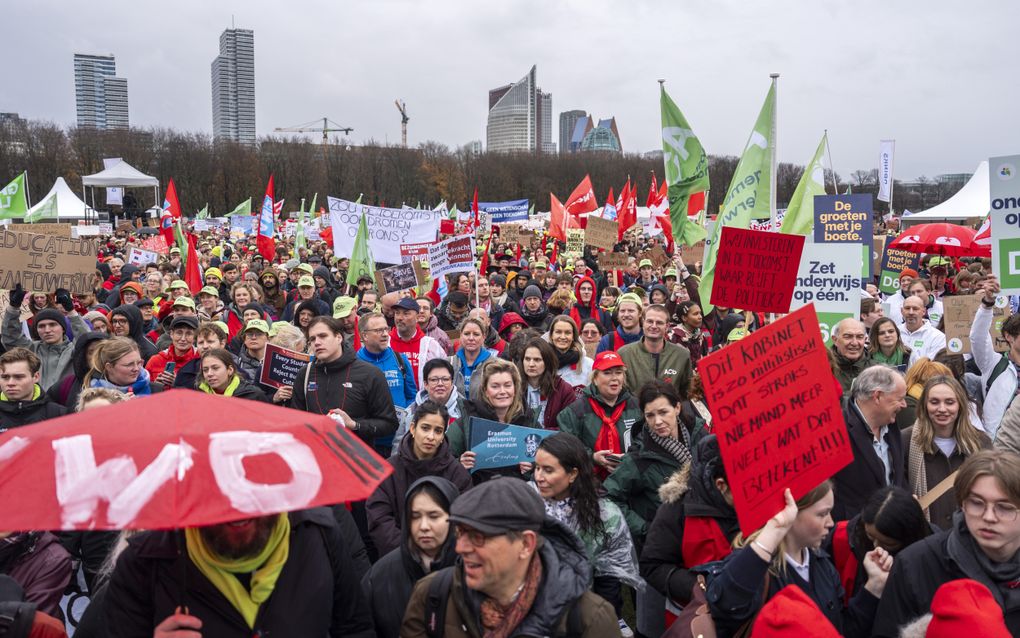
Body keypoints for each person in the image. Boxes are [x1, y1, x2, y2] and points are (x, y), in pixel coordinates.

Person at [103, 506, 374, 637]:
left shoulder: (317, 533)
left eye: (249, 480)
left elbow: (355, 629)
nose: (236, 504)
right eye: (219, 485)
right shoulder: (145, 561)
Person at [400, 477, 620, 638]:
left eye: (478, 537)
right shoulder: (432, 595)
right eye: (460, 533)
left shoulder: (588, 619)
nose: (460, 548)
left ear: (525, 544)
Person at [705, 483, 891, 638]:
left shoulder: (823, 565)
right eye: (822, 514)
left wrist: (873, 587)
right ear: (792, 513)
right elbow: (725, 605)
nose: (831, 522)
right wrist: (775, 530)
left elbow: (839, 630)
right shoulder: (757, 568)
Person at [874, 450, 1020, 636]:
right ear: (962, 503)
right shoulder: (915, 564)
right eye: (977, 503)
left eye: (1004, 507)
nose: (989, 517)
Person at [532, 433, 641, 635]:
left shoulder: (604, 515)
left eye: (548, 470)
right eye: (537, 467)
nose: (539, 477)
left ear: (573, 474)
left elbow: (608, 577)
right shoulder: (526, 505)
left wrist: (603, 618)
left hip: (579, 612)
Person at [640, 434, 739, 610]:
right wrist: (698, 587)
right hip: (699, 618)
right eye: (743, 491)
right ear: (721, 485)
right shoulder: (678, 508)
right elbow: (652, 566)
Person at [367, 401, 472, 556]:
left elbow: (464, 520)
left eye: (438, 431)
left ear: (443, 435)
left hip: (444, 562)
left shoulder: (457, 473)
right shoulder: (387, 471)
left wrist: (439, 555)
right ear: (413, 428)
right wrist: (409, 554)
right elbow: (380, 520)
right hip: (398, 558)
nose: (431, 436)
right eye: (425, 428)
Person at [363, 477, 461, 638]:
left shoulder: (472, 570)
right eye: (415, 516)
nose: (423, 526)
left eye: (433, 516)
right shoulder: (379, 576)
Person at [290, 316, 398, 447]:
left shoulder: (370, 374)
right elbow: (295, 421)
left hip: (356, 460)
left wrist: (355, 425)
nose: (317, 342)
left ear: (339, 338)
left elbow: (389, 423)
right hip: (317, 457)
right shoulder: (304, 374)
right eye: (312, 339)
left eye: (323, 336)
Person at [904, 376, 992, 528]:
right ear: (925, 405)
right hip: (926, 537)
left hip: (969, 536)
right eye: (934, 402)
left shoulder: (980, 442)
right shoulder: (906, 441)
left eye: (949, 402)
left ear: (960, 405)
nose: (942, 409)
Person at [825, 485, 932, 601]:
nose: (876, 546)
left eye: (888, 544)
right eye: (870, 536)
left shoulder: (931, 550)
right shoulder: (842, 537)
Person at [833, 365, 908, 521]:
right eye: (900, 399)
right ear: (877, 396)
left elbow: (898, 479)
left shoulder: (892, 425)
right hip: (855, 534)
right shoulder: (837, 431)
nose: (904, 405)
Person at [448, 358, 540, 482]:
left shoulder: (529, 422)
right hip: (478, 494)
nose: (502, 391)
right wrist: (460, 464)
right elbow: (444, 461)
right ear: (486, 391)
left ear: (515, 389)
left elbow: (548, 463)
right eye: (495, 386)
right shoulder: (467, 421)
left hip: (520, 494)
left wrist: (533, 467)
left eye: (507, 385)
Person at [557, 351, 642, 475]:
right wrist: (592, 457)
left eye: (619, 373)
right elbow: (567, 447)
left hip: (631, 479)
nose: (614, 378)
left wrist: (629, 458)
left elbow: (646, 442)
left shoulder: (637, 407)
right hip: (589, 482)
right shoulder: (574, 412)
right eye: (607, 373)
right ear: (595, 379)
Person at [2, 285, 88, 391]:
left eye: (53, 325)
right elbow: (11, 338)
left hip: (65, 405)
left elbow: (87, 341)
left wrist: (71, 311)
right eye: (41, 326)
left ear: (63, 328)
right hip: (35, 405)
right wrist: (13, 307)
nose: (47, 330)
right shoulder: (31, 350)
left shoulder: (74, 351)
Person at [357, 312, 417, 456]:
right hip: (369, 442)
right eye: (378, 331)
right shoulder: (354, 363)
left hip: (400, 440)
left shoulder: (400, 359)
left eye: (386, 329)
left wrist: (405, 417)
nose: (385, 334)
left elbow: (412, 396)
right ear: (364, 336)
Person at [970, 274, 1018, 439]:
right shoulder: (994, 364)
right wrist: (988, 303)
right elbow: (977, 338)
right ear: (1009, 336)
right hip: (999, 449)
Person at [618, 305, 692, 399]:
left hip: (670, 412)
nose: (654, 326)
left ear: (667, 326)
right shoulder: (624, 354)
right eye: (649, 321)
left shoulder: (682, 355)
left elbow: (687, 393)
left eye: (659, 323)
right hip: (635, 411)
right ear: (643, 322)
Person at [0, 348, 67, 432]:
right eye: (5, 377)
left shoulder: (58, 414)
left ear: (36, 377)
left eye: (18, 377)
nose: (10, 383)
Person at [518, 337, 577, 430]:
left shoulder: (564, 389)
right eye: (527, 359)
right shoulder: (513, 388)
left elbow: (570, 426)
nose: (531, 364)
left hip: (552, 442)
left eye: (537, 360)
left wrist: (543, 434)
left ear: (547, 362)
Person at [390, 296, 447, 388]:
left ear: (417, 317)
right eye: (397, 313)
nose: (400, 318)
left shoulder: (431, 345)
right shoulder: (385, 343)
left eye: (406, 314)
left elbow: (445, 373)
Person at [144, 315, 199, 391]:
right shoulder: (156, 360)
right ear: (171, 334)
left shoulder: (201, 360)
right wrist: (156, 386)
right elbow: (144, 392)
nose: (183, 339)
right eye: (179, 333)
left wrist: (178, 383)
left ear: (195, 337)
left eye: (189, 334)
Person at [81, 337, 152, 396]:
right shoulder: (92, 398)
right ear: (109, 367)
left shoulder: (156, 390)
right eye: (129, 364)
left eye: (139, 363)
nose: (136, 369)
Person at [546, 315, 594, 396]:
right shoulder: (543, 361)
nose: (563, 337)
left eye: (567, 333)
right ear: (551, 335)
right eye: (558, 332)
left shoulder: (588, 364)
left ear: (573, 336)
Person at [196, 348, 268, 401]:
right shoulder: (197, 395)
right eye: (205, 370)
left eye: (215, 368)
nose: (209, 374)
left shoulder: (253, 395)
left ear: (230, 370)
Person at [900, 295, 947, 367]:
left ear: (924, 311)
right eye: (907, 308)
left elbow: (932, 367)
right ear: (902, 311)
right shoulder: (894, 332)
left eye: (915, 309)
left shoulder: (938, 338)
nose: (911, 312)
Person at [451, 317, 492, 398]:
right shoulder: (450, 362)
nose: (471, 338)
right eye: (466, 334)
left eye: (476, 334)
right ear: (460, 335)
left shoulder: (494, 364)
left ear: (483, 337)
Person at [668, 300, 711, 366]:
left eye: (700, 313)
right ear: (684, 318)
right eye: (695, 314)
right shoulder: (674, 337)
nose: (700, 317)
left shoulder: (701, 335)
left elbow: (706, 358)